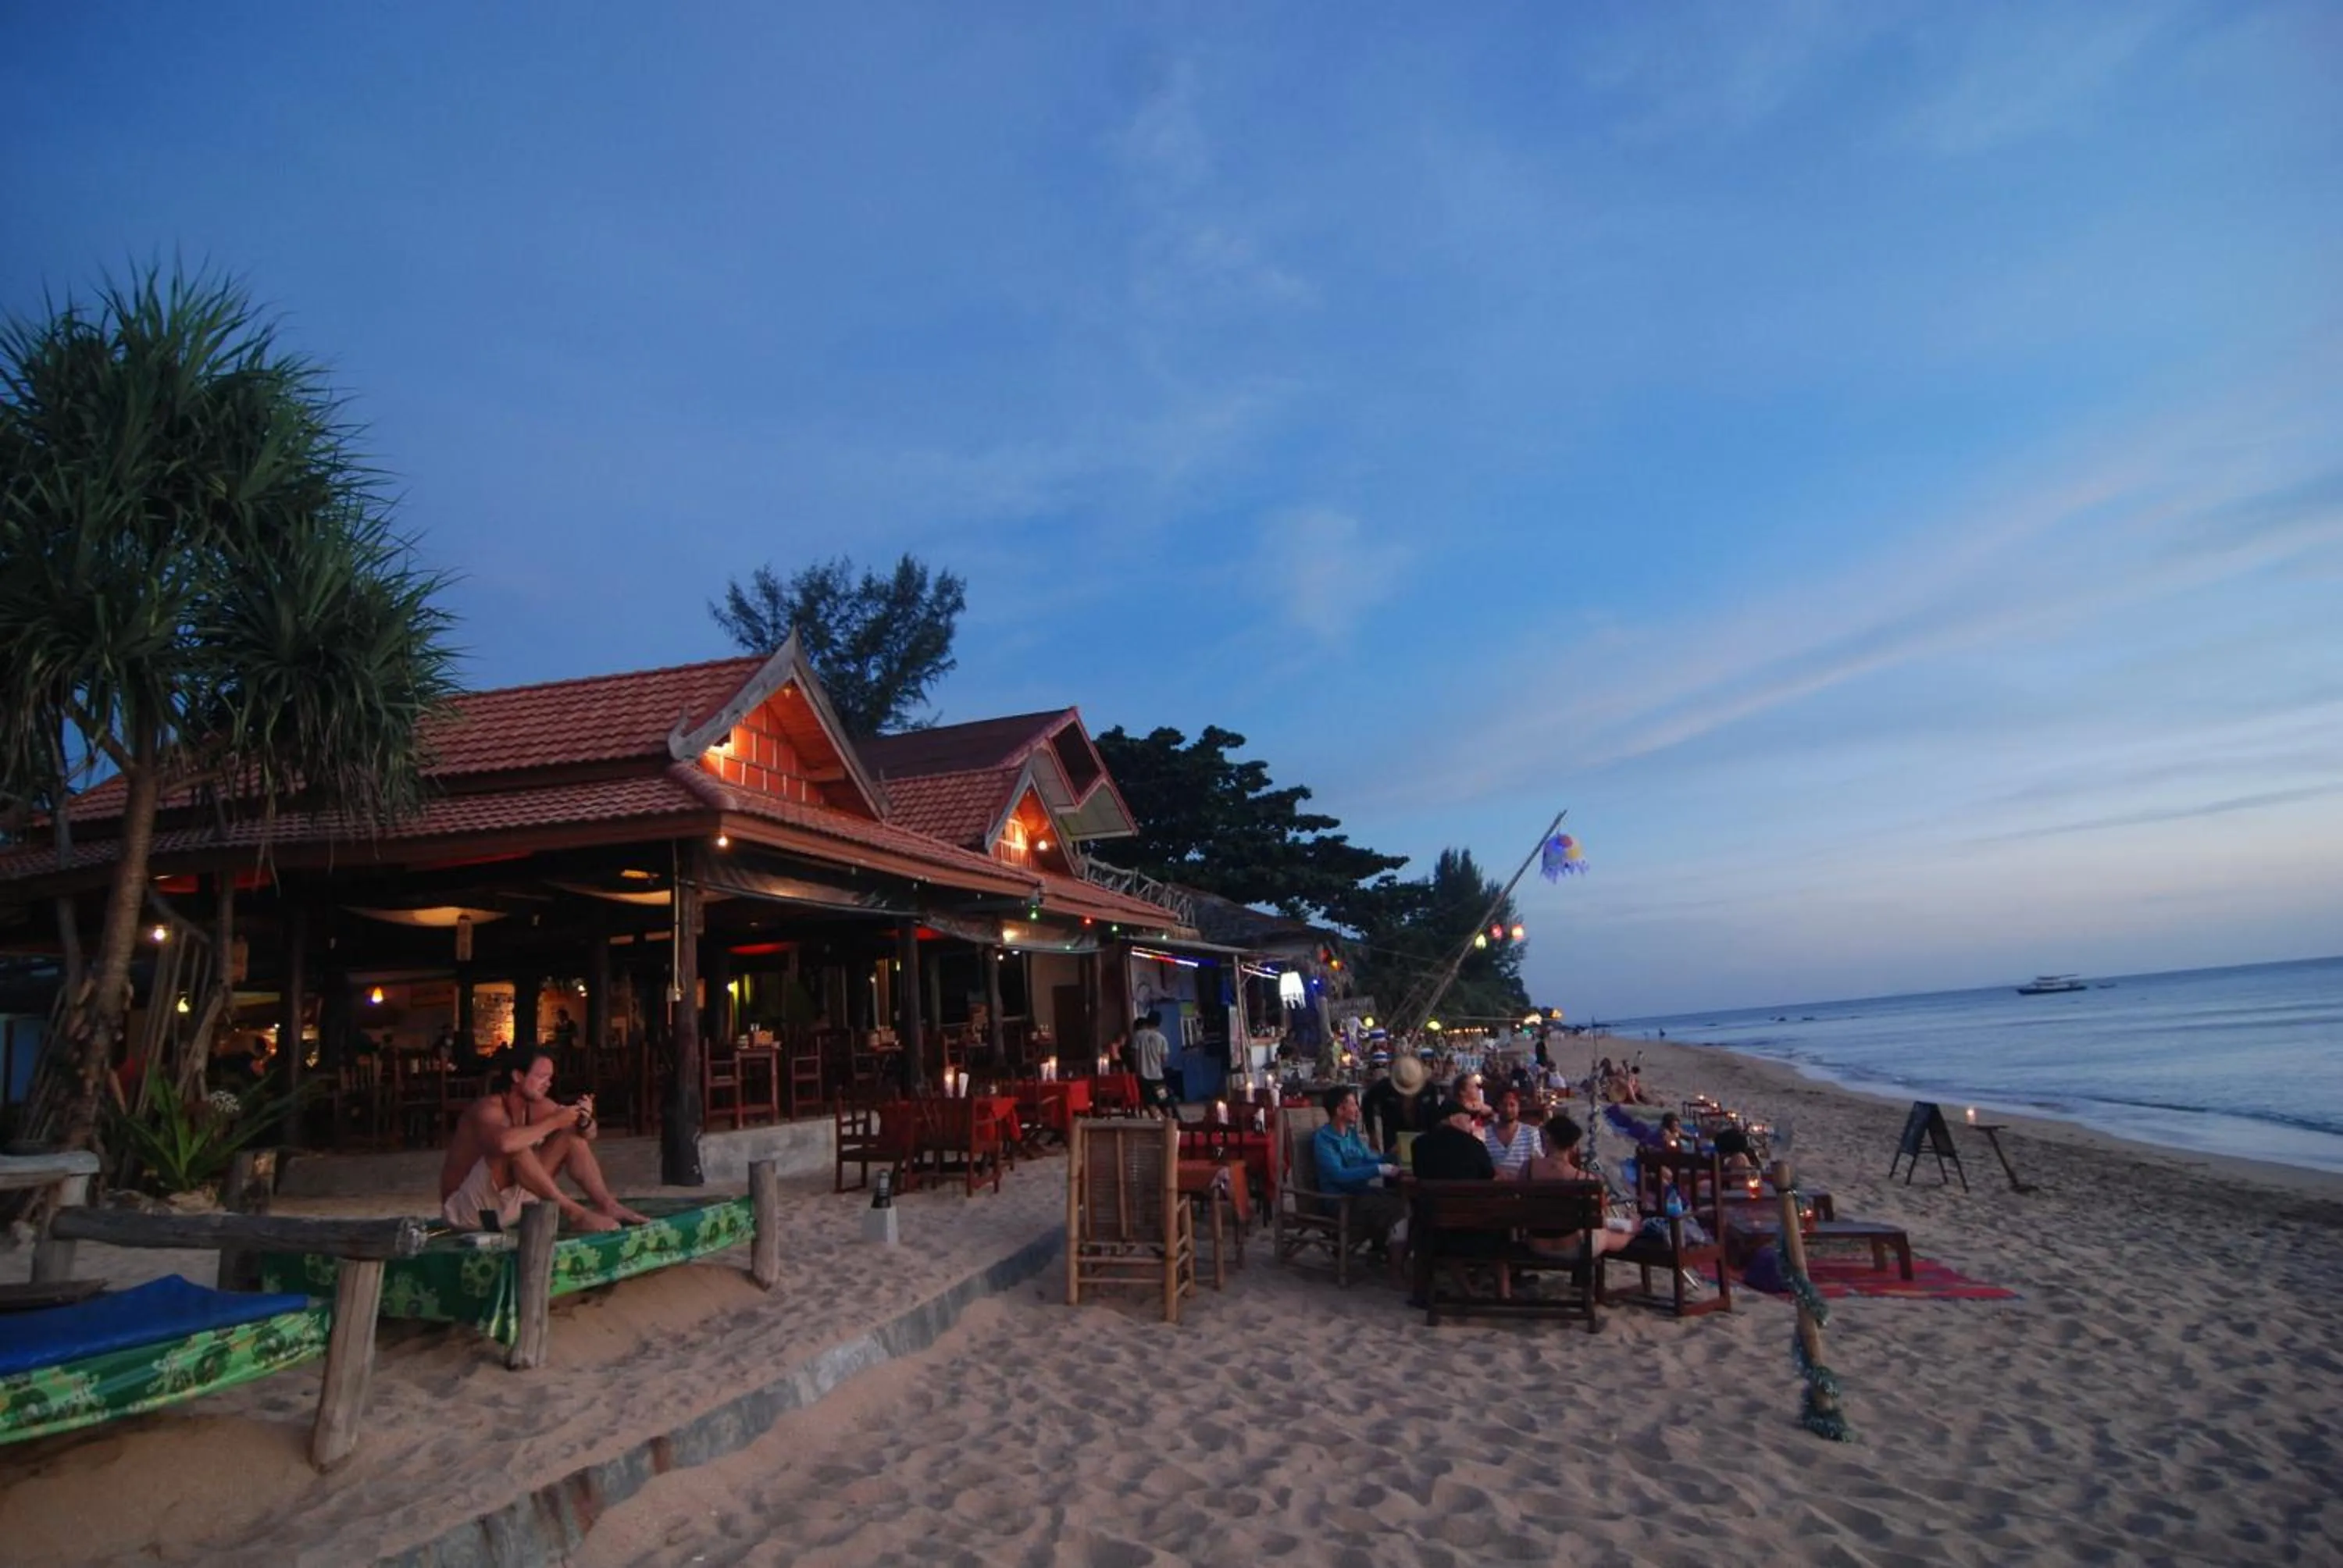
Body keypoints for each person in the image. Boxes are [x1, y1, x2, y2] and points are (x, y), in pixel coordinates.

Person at [438, 1046, 649, 1232]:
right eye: (541, 1076)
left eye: (549, 1078)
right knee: (515, 1147)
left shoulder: (538, 1106)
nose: (547, 1083)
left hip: (512, 1206)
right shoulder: (487, 1108)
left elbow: (588, 1135)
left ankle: (607, 1204)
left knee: (571, 1136)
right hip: (470, 1213)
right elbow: (504, 1144)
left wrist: (584, 1120)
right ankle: (574, 1213)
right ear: (518, 1076)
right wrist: (554, 1122)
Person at [1521, 1112, 1635, 1260]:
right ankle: (1633, 1231)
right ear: (1574, 1146)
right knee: (1608, 1234)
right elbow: (1600, 1216)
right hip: (1572, 1248)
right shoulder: (1585, 1179)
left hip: (1536, 1246)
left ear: (1548, 1139)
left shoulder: (1528, 1169)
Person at [1311, 1085, 1405, 1248]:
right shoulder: (1324, 1140)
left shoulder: (1351, 1134)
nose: (1358, 1109)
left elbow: (1368, 1159)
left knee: (1404, 1200)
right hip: (1340, 1201)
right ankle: (1390, 1255)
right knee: (1396, 1209)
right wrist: (1379, 1170)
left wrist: (1391, 1156)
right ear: (1340, 1110)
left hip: (1359, 1194)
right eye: (1354, 1104)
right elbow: (1339, 1176)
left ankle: (1382, 1248)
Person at [1411, 1099, 1496, 1182]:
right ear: (1454, 1120)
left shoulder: (1419, 1144)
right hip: (1468, 1196)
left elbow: (1418, 1174)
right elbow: (1489, 1175)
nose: (1470, 1127)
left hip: (1431, 1196)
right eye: (1468, 1121)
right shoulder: (1475, 1145)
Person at [1483, 1088, 1541, 1178]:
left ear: (1518, 1107)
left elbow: (1537, 1165)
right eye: (1504, 1105)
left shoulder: (1531, 1133)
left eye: (1512, 1105)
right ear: (1497, 1106)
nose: (1508, 1109)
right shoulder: (1484, 1133)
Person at [1131, 1011, 1172, 1114]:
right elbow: (1164, 1059)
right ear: (1159, 1023)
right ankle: (1170, 1122)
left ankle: (1158, 1121)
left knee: (1150, 1103)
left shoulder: (1138, 1036)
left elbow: (1134, 1056)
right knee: (1164, 1101)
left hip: (1144, 1078)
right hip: (1158, 1078)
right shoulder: (1162, 1038)